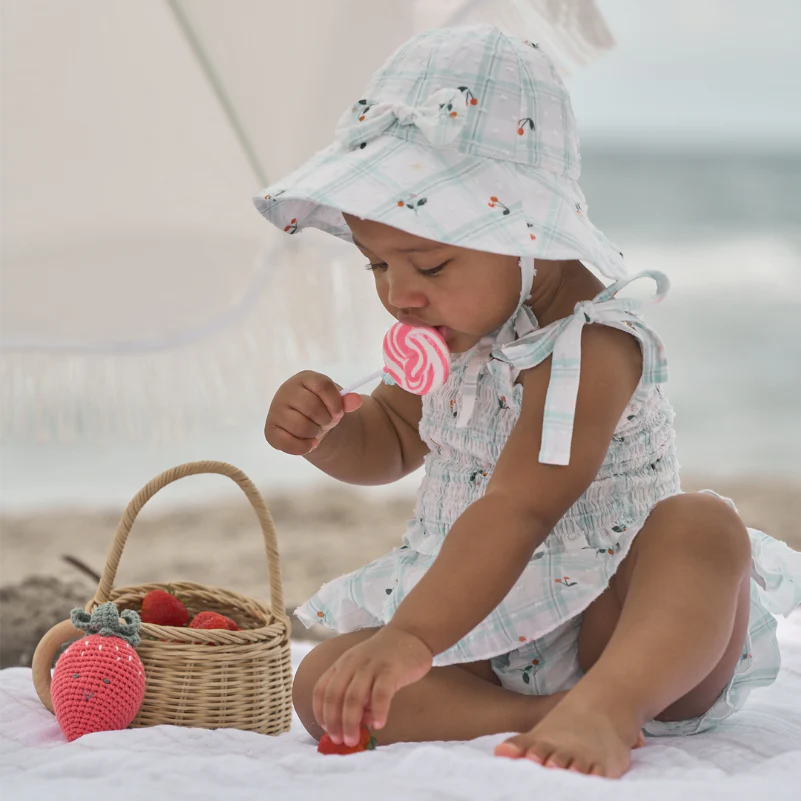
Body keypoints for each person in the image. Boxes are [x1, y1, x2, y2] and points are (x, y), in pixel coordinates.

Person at [255, 26, 801, 778]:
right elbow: (390, 438)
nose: (398, 295)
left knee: (703, 528)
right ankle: (540, 714)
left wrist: (411, 635)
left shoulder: (594, 345)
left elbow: (520, 506)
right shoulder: (452, 334)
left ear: (529, 233)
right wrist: (326, 433)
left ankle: (614, 700)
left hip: (619, 627)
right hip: (487, 629)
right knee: (324, 683)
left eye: (430, 262)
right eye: (376, 263)